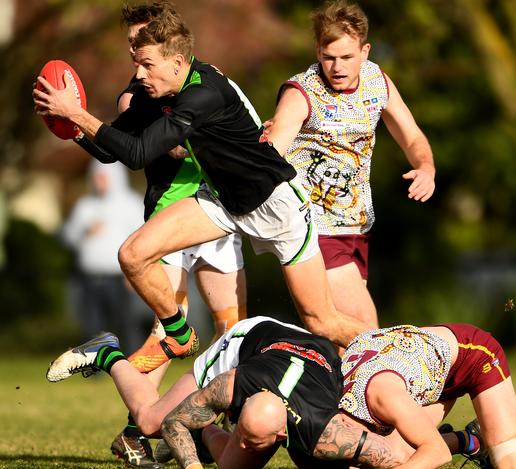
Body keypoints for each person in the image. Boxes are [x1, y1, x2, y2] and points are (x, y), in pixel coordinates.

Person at [33, 5, 374, 359]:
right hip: (222, 202)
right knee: (132, 255)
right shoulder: (156, 90)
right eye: (136, 62)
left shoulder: (204, 92)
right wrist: (73, 129)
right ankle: (178, 333)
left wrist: (75, 112)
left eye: (147, 64)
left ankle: (404, 354)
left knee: (322, 322)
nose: (139, 73)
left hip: (276, 205)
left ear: (177, 63)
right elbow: (111, 149)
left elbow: (137, 154)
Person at [105, 1, 248, 469]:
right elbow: (147, 149)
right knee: (169, 334)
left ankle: (208, 431)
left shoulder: (199, 80)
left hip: (215, 209)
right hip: (171, 215)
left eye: (143, 41)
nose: (136, 53)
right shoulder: (137, 97)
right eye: (132, 45)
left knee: (233, 330)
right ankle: (138, 429)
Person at [46, 316, 402, 469]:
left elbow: (398, 456)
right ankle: (106, 352)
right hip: (251, 341)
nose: (243, 440)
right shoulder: (234, 382)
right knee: (152, 422)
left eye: (249, 437)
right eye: (243, 431)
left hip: (310, 355)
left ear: (281, 434)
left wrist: (451, 440)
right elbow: (172, 422)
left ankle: (204, 435)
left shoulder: (324, 428)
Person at [266, 0, 436, 326]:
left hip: (357, 225)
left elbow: (412, 137)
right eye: (329, 58)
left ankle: (299, 376)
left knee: (340, 342)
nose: (337, 67)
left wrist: (426, 168)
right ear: (317, 52)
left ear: (365, 51)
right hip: (315, 228)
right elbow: (270, 156)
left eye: (346, 57)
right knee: (365, 329)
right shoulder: (302, 92)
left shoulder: (377, 82)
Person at [335, 324, 516, 469]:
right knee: (393, 457)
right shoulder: (337, 402)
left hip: (474, 355)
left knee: (514, 467)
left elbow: (435, 452)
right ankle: (471, 440)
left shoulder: (383, 397)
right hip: (427, 372)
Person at [60, 159, 145, 353]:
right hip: (89, 278)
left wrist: (134, 274)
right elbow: (68, 237)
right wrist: (84, 232)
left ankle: (134, 365)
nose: (99, 181)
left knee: (124, 323)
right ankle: (94, 369)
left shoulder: (131, 204)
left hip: (119, 278)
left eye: (103, 177)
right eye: (96, 177)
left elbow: (141, 241)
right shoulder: (86, 205)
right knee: (92, 326)